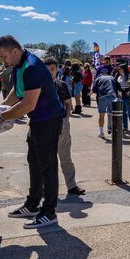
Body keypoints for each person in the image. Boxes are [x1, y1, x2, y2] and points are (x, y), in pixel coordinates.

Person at [0, 35, 65, 229]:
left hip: (48, 121)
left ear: (14, 51)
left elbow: (28, 103)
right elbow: (17, 92)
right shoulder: (18, 66)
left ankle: (49, 212)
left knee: (47, 166)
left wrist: (1, 118)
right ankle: (32, 204)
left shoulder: (32, 67)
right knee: (34, 161)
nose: (3, 61)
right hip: (38, 121)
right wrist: (0, 107)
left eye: (4, 56)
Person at [44, 57, 85, 196]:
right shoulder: (38, 86)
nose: (50, 72)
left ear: (57, 69)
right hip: (45, 126)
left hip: (61, 124)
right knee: (47, 160)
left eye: (53, 69)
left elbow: (68, 102)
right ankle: (46, 188)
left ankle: (72, 186)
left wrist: (67, 118)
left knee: (65, 157)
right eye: (47, 70)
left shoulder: (61, 85)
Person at [92, 68, 120, 138]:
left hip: (102, 97)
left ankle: (101, 133)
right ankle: (113, 131)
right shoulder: (112, 77)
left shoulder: (98, 78)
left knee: (101, 116)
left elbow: (94, 90)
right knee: (112, 115)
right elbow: (119, 87)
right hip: (112, 96)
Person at [115, 64, 130, 132]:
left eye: (120, 69)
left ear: (124, 69)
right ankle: (125, 127)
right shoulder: (119, 77)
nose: (119, 70)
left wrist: (128, 91)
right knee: (123, 113)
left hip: (128, 97)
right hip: (121, 97)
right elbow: (118, 87)